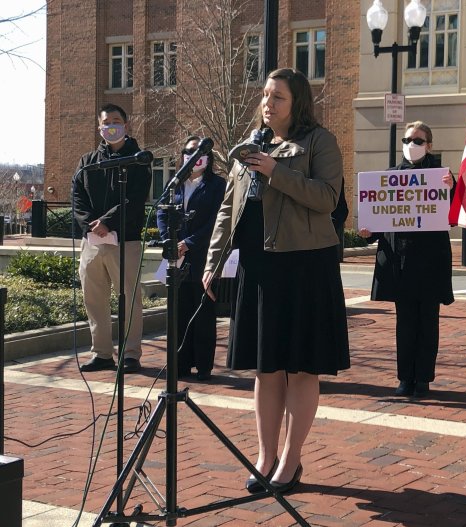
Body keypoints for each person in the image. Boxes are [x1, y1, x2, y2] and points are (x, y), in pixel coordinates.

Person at [203, 68, 349, 495]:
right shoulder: (250, 145)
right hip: (259, 268)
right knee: (266, 368)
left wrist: (274, 170)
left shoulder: (319, 141)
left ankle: (291, 459)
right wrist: (212, 261)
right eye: (265, 95)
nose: (268, 103)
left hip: (307, 268)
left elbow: (327, 198)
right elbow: (228, 209)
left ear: (297, 102)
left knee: (302, 368)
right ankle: (264, 456)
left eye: (279, 97)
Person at [359, 121, 454, 399]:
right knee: (405, 323)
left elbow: (456, 212)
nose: (411, 145)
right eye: (407, 139)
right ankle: (405, 378)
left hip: (430, 263)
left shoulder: (442, 177)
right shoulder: (389, 177)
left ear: (429, 146)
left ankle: (423, 378)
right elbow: (378, 218)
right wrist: (367, 232)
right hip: (399, 263)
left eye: (418, 140)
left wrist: (452, 187)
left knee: (428, 323)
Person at [73, 103, 152, 374]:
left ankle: (131, 354)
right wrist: (91, 226)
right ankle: (102, 353)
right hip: (92, 243)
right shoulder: (87, 161)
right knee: (94, 300)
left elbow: (136, 198)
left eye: (116, 121)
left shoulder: (138, 159)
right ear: (100, 127)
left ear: (126, 125)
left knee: (129, 299)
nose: (111, 126)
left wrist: (107, 222)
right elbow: (78, 198)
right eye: (106, 122)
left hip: (124, 241)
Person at [156, 136, 225, 381]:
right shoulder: (174, 184)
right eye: (189, 151)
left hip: (203, 256)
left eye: (198, 152)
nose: (193, 156)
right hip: (176, 258)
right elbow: (161, 213)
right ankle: (180, 364)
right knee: (179, 312)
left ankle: (204, 366)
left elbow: (218, 220)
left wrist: (190, 242)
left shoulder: (218, 185)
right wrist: (171, 240)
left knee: (203, 313)